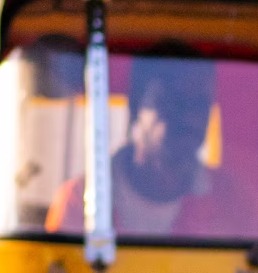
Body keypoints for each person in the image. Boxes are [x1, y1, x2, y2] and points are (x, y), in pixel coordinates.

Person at [44, 51, 220, 236]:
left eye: (199, 104)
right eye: (174, 101)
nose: (188, 117)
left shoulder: (235, 204)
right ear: (136, 104)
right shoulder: (78, 202)